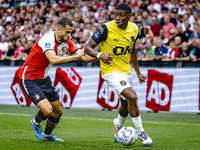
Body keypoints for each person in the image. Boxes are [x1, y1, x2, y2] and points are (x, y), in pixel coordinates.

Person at [85, 3, 153, 146]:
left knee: (125, 103)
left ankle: (118, 126)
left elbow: (132, 51)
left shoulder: (134, 29)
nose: (117, 18)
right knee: (133, 96)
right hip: (110, 71)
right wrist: (100, 55)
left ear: (129, 16)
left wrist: (138, 72)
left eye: (121, 15)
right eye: (116, 14)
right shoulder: (105, 29)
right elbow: (87, 48)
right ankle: (141, 133)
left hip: (126, 70)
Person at [19, 17, 97, 142]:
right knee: (48, 110)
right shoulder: (47, 39)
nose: (69, 35)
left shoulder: (67, 43)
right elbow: (53, 60)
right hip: (29, 77)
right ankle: (35, 122)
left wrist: (101, 57)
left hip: (44, 77)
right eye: (67, 32)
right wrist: (74, 57)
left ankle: (48, 136)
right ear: (58, 29)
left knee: (58, 112)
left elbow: (84, 57)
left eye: (71, 32)